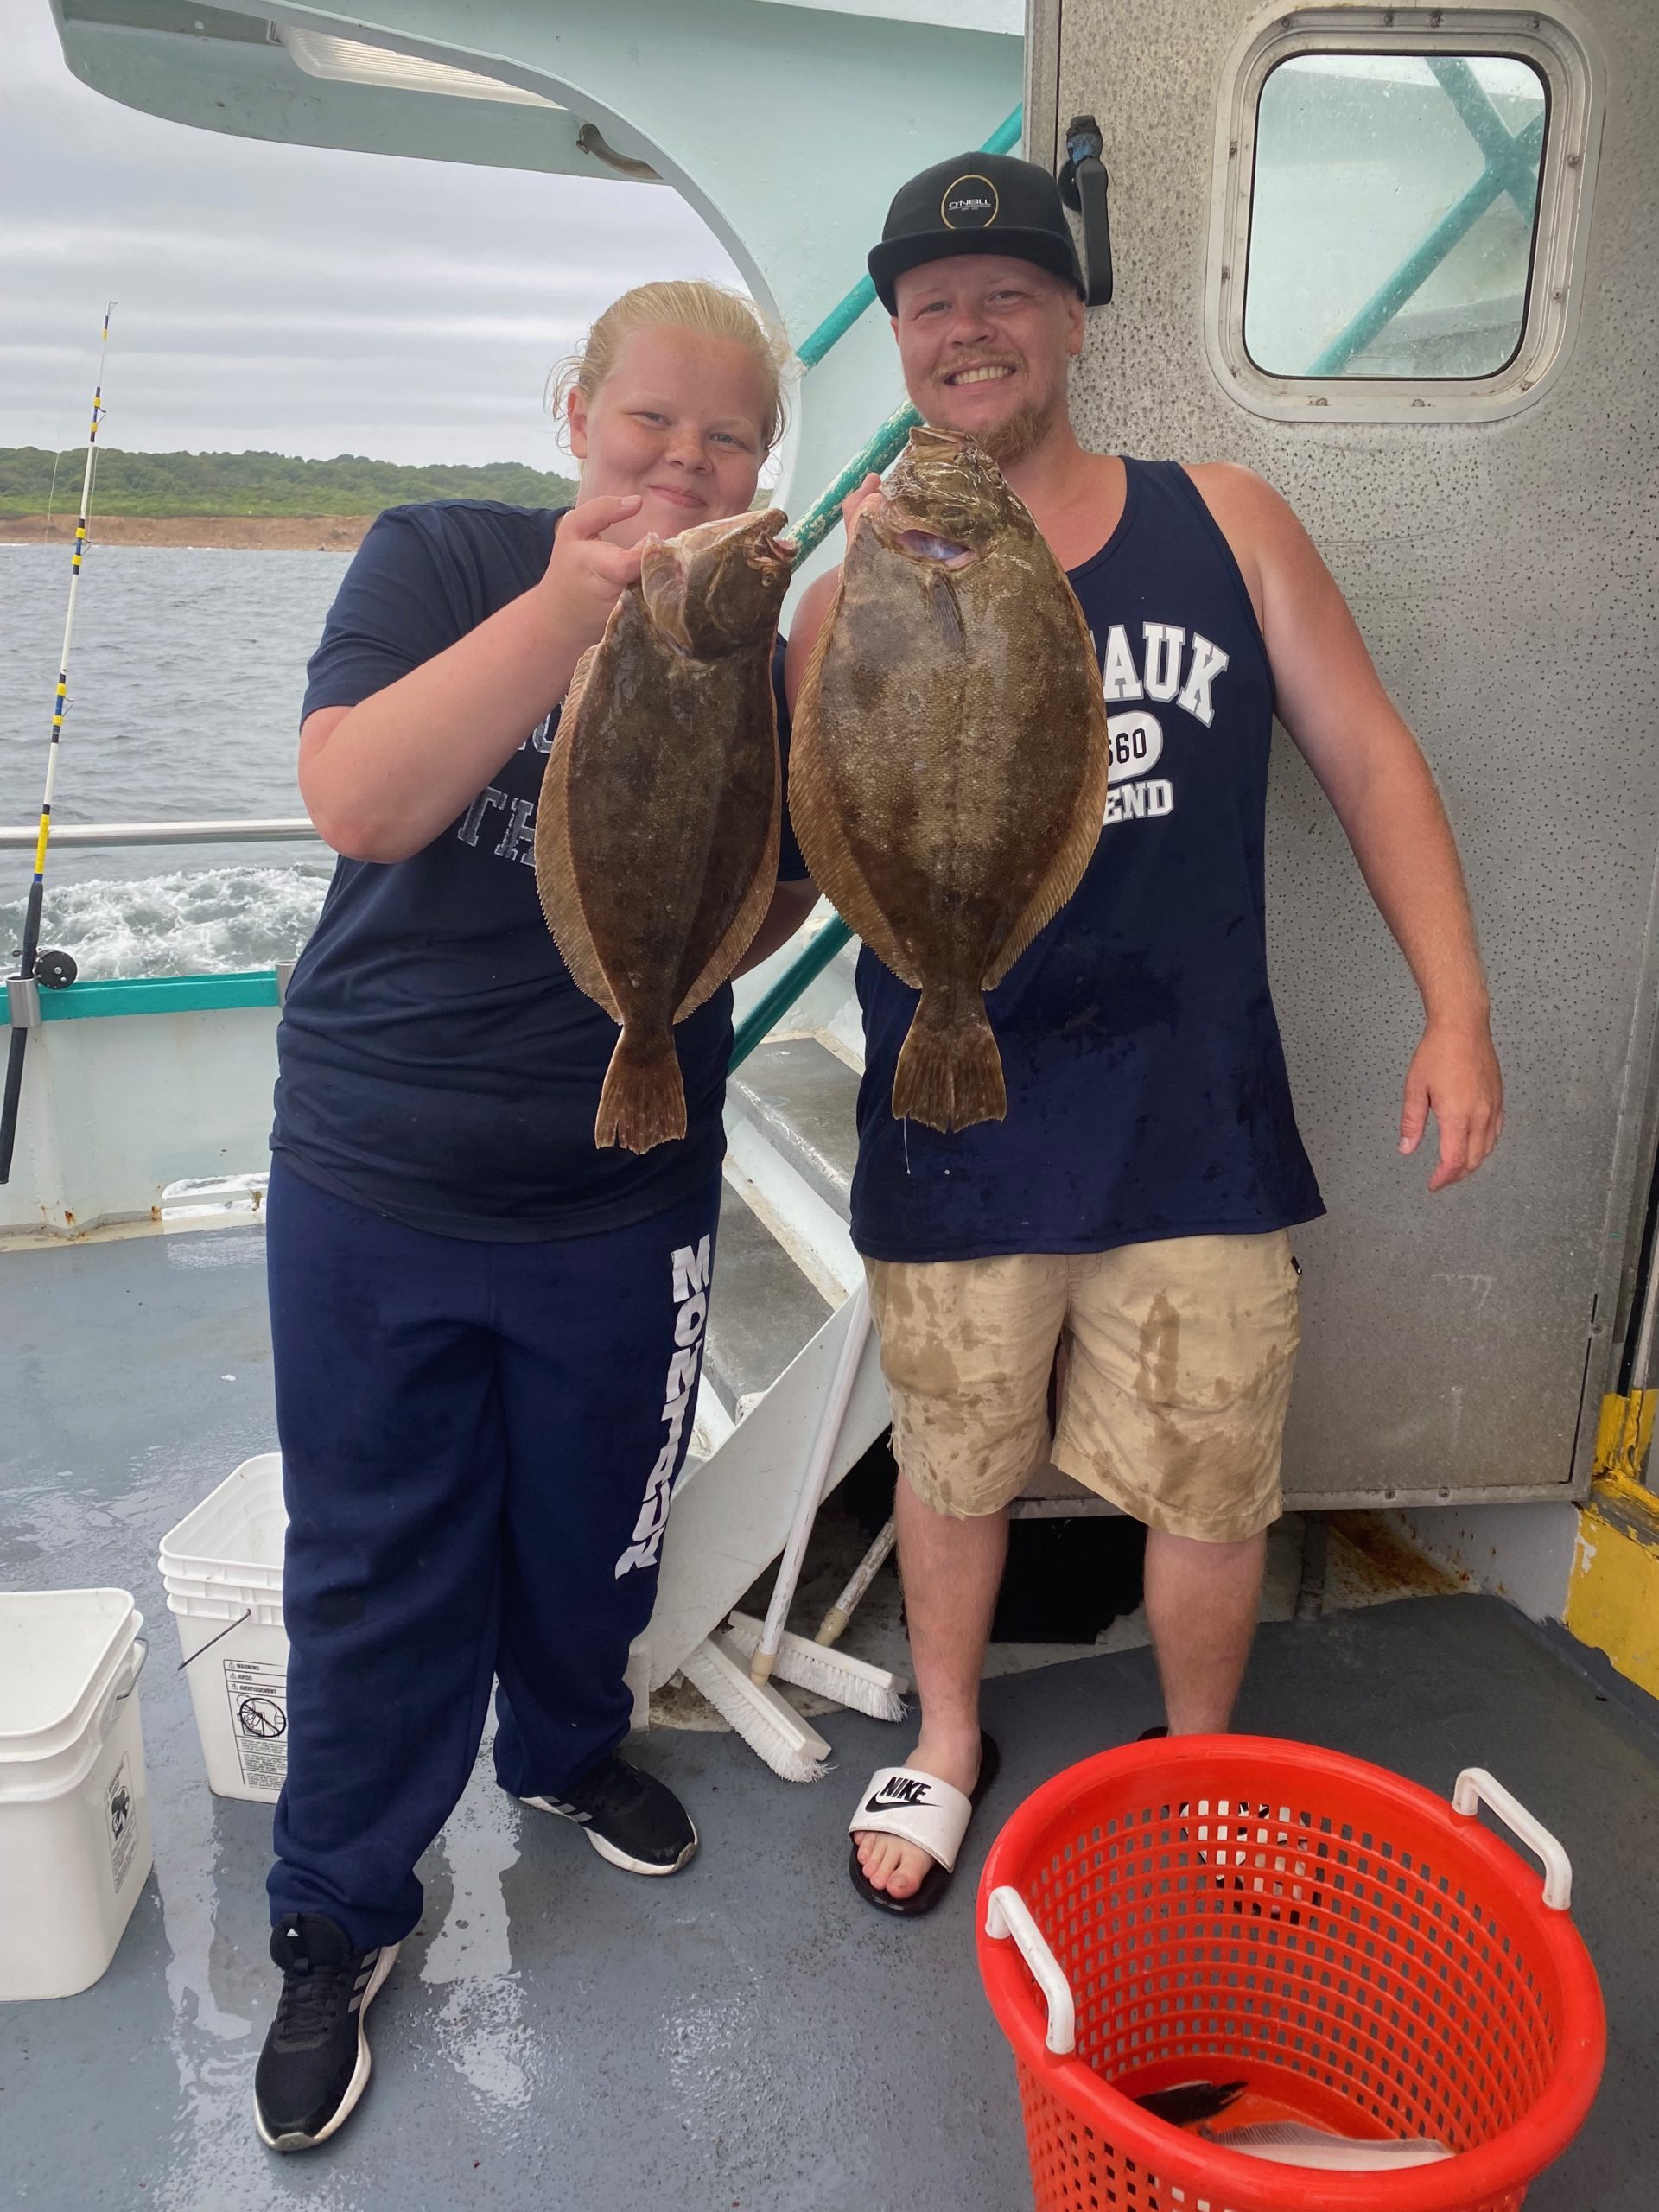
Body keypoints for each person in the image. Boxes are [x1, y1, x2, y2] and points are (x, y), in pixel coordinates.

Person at [785, 155, 1503, 1916]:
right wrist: (819, 615)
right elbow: (808, 833)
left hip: (1192, 1109)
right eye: (933, 305)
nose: (970, 329)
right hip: (957, 1100)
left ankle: (1196, 1760)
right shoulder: (854, 578)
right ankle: (948, 1731)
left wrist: (1458, 1004)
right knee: (954, 1459)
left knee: (1209, 1472)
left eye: (1006, 293)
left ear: (1071, 322)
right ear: (899, 344)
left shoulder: (1227, 517)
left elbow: (1370, 755)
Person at [255, 280, 816, 2148]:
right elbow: (359, 795)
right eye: (651, 422)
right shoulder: (444, 555)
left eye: (726, 439)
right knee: (377, 1554)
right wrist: (574, 610)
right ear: (578, 410)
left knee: (596, 1529)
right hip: (379, 1162)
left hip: (622, 1177)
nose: (683, 461)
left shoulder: (766, 645)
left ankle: (569, 1749)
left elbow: (781, 884)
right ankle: (339, 1903)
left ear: (764, 465)